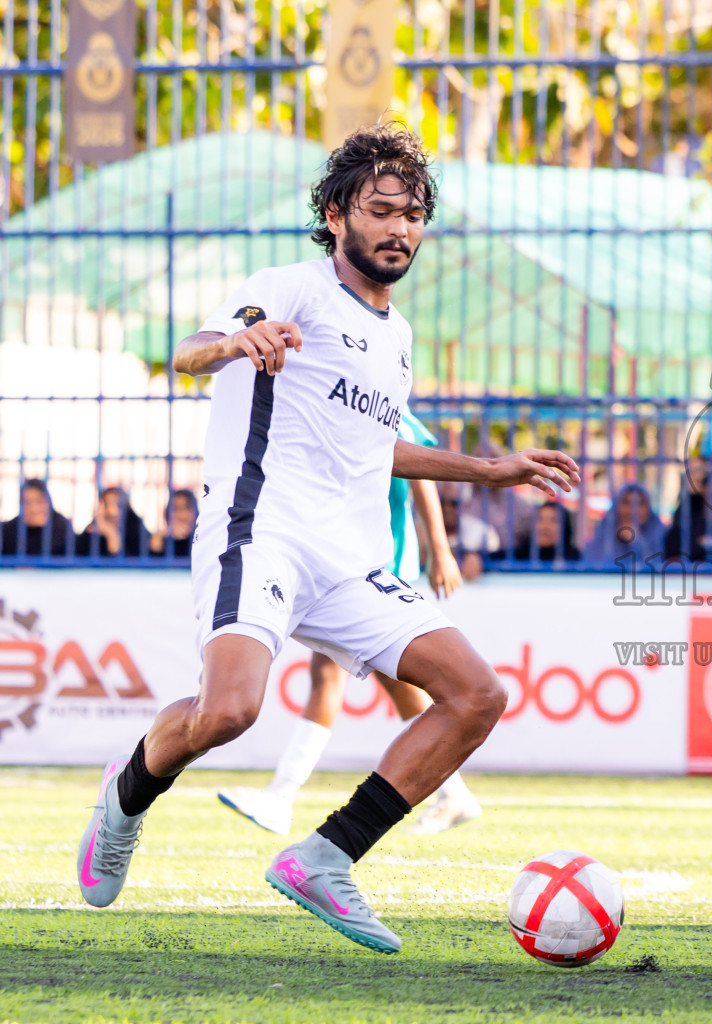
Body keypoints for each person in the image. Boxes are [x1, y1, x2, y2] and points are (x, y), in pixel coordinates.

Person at [75, 123, 579, 956]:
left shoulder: (397, 336)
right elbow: (190, 353)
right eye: (381, 210)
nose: (400, 229)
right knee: (229, 711)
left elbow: (376, 448)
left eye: (413, 215)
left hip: (350, 559)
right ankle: (126, 796)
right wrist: (235, 342)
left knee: (478, 695)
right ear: (338, 214)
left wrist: (490, 471)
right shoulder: (291, 288)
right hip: (260, 530)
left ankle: (326, 855)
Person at [216, 409, 482, 837]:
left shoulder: (382, 401)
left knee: (327, 673)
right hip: (350, 555)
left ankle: (281, 795)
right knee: (394, 687)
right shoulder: (343, 396)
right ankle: (454, 793)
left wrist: (440, 548)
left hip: (377, 560)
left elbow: (420, 472)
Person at [583, 483, 666, 566]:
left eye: (640, 504)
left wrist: (637, 543)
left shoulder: (661, 536)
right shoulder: (604, 536)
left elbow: (657, 567)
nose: (632, 510)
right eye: (626, 503)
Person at [440, 486, 503, 581]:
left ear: (463, 505)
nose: (447, 508)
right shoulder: (421, 529)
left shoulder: (478, 529)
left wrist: (477, 556)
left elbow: (496, 553)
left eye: (453, 503)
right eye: (442, 503)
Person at [1, 479, 72, 557]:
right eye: (27, 503)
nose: (34, 509)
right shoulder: (10, 530)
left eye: (39, 501)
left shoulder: (63, 528)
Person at [75, 487, 147, 558]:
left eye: (118, 505)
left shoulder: (137, 533)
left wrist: (112, 536)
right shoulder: (91, 533)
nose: (111, 511)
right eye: (106, 505)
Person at [512, 502, 581, 563]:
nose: (545, 527)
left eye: (554, 520)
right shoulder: (515, 558)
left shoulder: (576, 560)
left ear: (565, 527)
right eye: (540, 519)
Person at [150, 489, 199, 559]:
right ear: (166, 514)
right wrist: (157, 541)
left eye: (187, 508)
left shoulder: (205, 538)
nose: (182, 515)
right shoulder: (161, 539)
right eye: (175, 509)